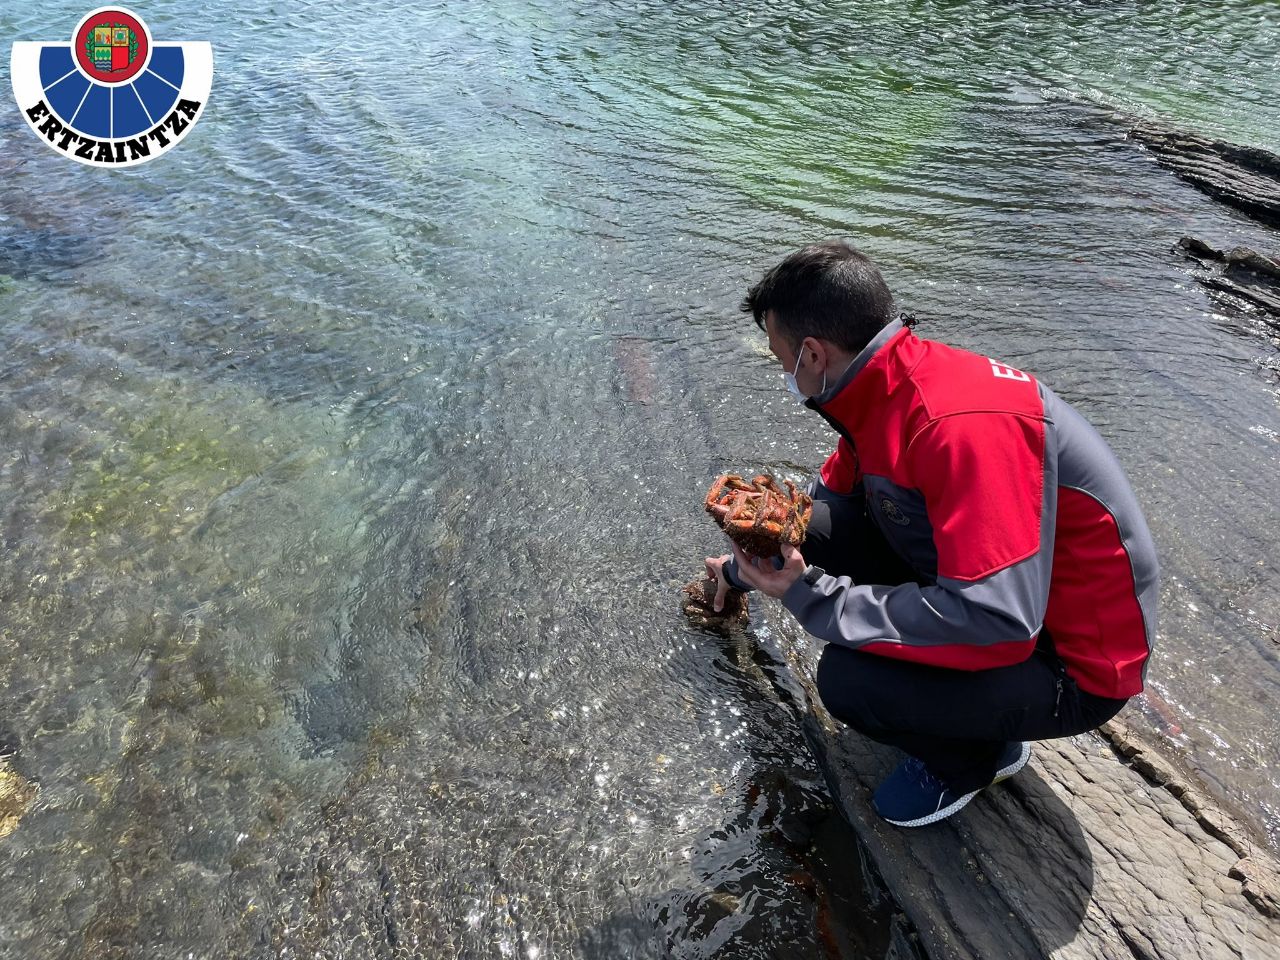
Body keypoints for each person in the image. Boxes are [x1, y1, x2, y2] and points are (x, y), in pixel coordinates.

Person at [704, 241, 1158, 828]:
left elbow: (998, 625)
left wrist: (808, 595)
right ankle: (967, 716)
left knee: (849, 681)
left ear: (813, 353)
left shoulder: (958, 426)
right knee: (806, 525)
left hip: (1069, 662)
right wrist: (743, 572)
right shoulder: (881, 388)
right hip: (1017, 601)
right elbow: (821, 516)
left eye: (779, 356)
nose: (781, 371)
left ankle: (974, 758)